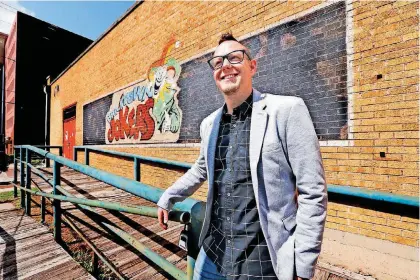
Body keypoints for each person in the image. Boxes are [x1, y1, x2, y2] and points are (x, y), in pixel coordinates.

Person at [157, 33, 327, 280]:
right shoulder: (209, 124)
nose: (225, 66)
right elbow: (201, 169)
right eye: (218, 63)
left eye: (234, 58)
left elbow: (313, 191)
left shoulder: (287, 110)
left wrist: (303, 265)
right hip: (212, 254)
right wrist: (168, 197)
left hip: (262, 261)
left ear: (252, 65)